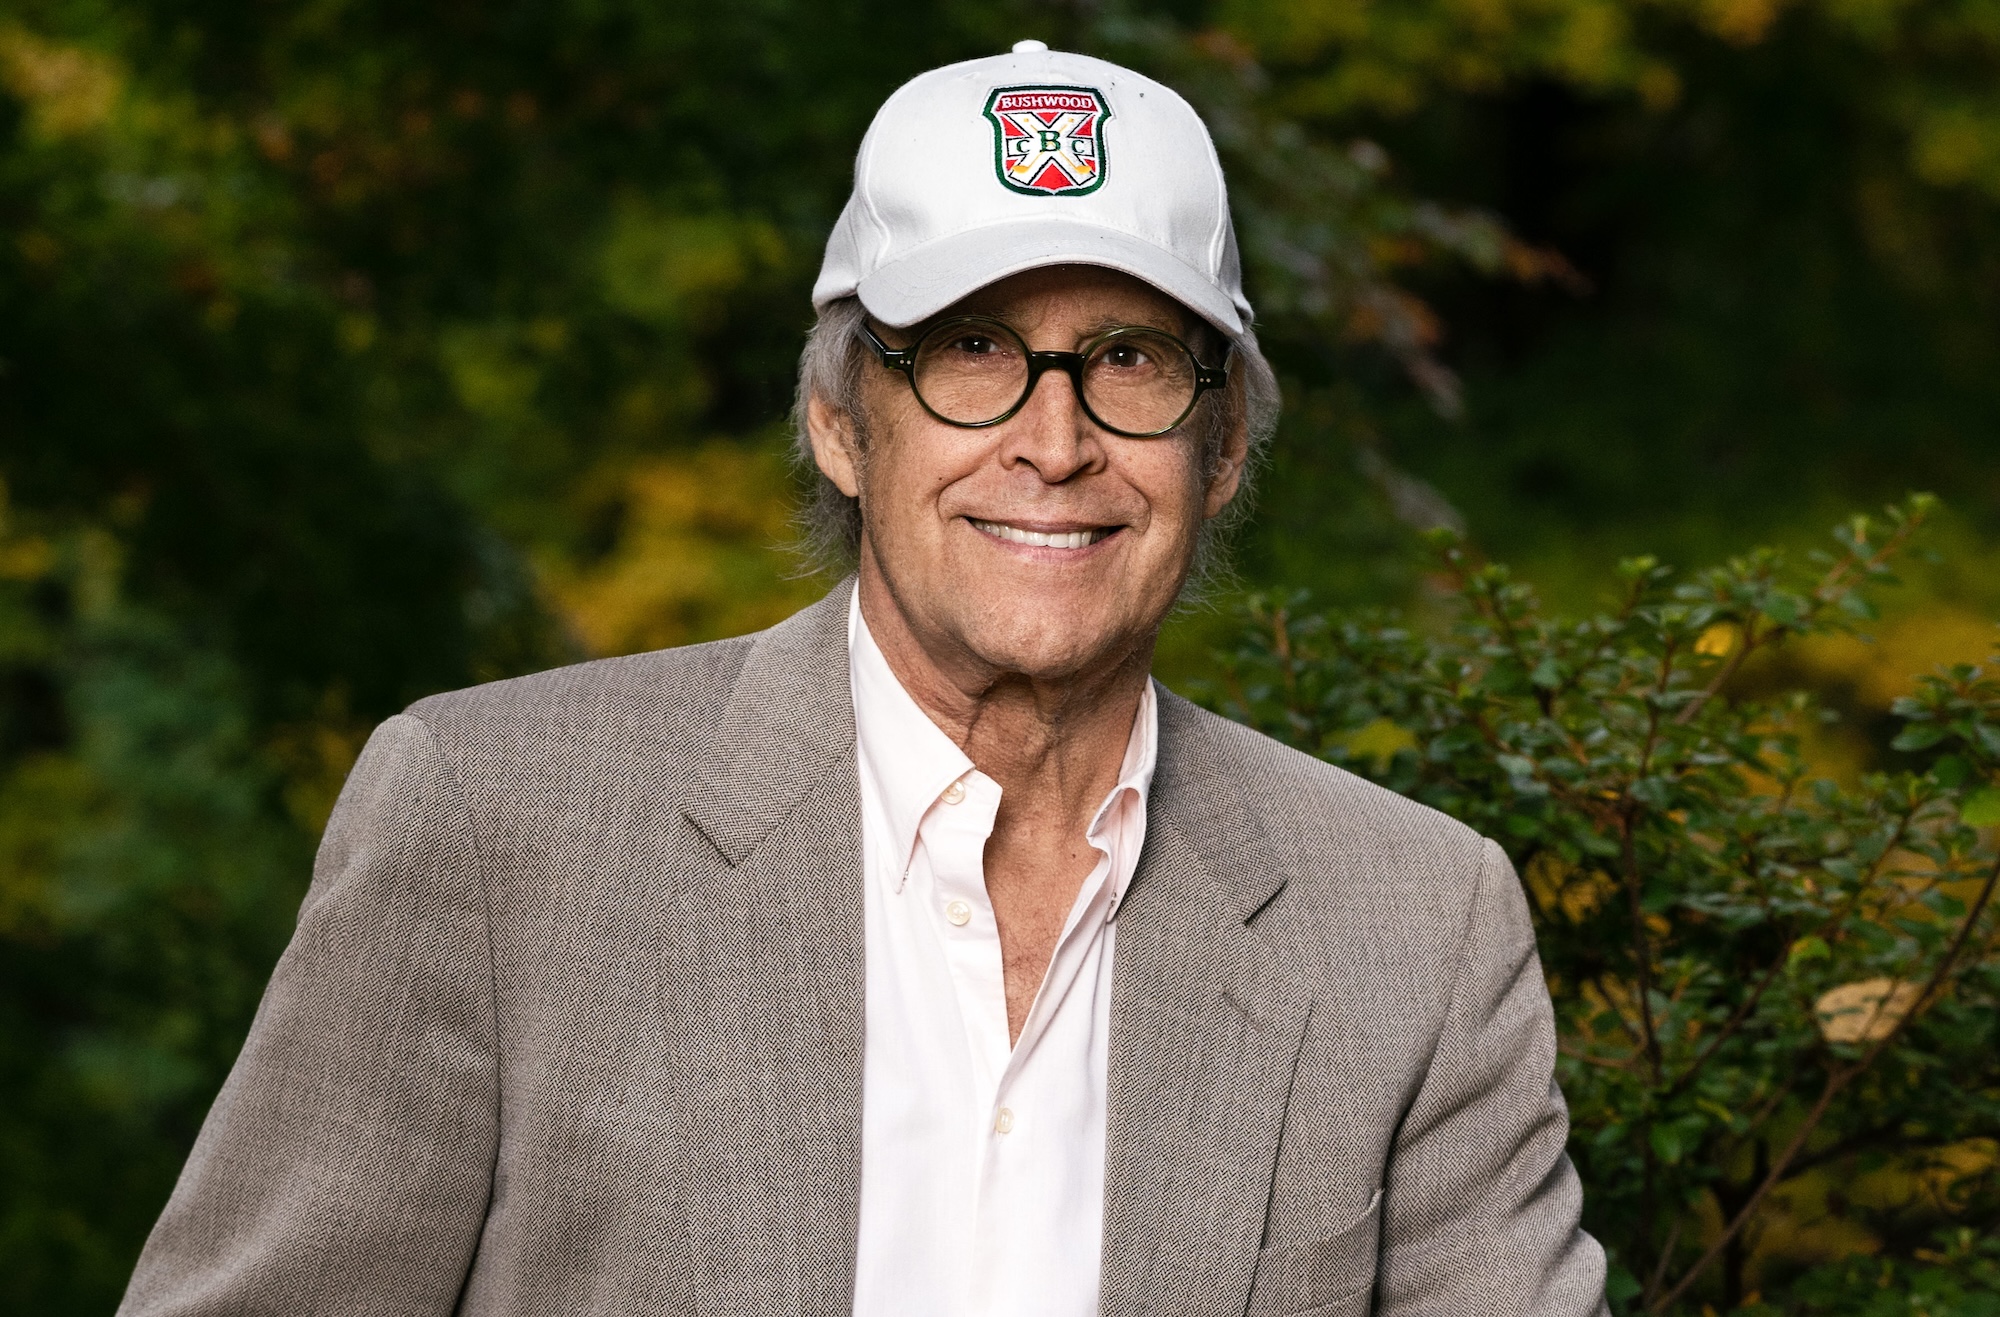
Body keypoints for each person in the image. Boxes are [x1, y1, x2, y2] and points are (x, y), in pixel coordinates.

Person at [119, 42, 1608, 1317]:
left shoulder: (1413, 921)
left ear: (1219, 450)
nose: (1054, 438)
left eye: (1132, 359)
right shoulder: (498, 828)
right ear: (843, 422)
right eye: (971, 348)